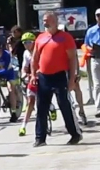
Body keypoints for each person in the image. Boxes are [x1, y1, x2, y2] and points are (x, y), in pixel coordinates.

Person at [32, 12, 83, 147]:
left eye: (47, 20)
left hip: (60, 76)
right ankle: (40, 138)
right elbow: (34, 58)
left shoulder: (65, 38)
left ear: (55, 21)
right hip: (43, 77)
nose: (45, 23)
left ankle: (75, 134)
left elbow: (72, 59)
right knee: (41, 107)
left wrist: (72, 78)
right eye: (43, 21)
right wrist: (32, 75)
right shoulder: (40, 38)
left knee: (64, 105)